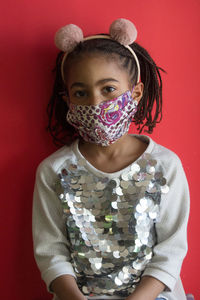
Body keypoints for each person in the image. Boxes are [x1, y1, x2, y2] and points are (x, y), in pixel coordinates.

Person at [32, 18, 190, 300]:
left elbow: (171, 250)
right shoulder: (53, 171)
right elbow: (50, 251)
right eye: (81, 93)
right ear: (68, 100)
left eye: (108, 89)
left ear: (136, 93)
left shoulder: (166, 166)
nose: (95, 104)